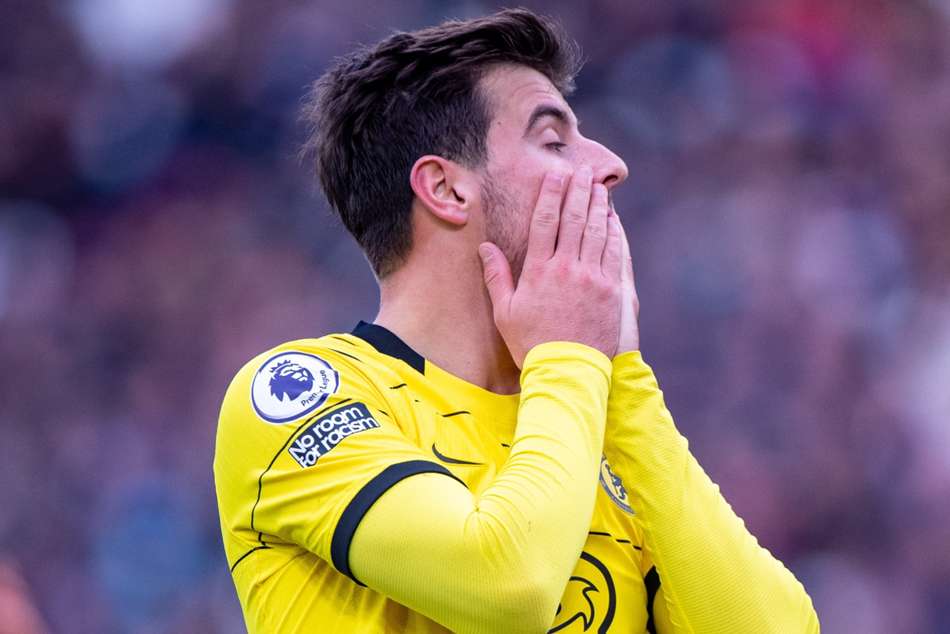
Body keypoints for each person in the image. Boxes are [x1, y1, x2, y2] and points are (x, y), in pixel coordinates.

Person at [214, 8, 819, 633]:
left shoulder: (595, 418)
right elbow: (508, 589)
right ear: (445, 189)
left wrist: (624, 384)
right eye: (554, 142)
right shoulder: (303, 392)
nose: (611, 165)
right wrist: (570, 354)